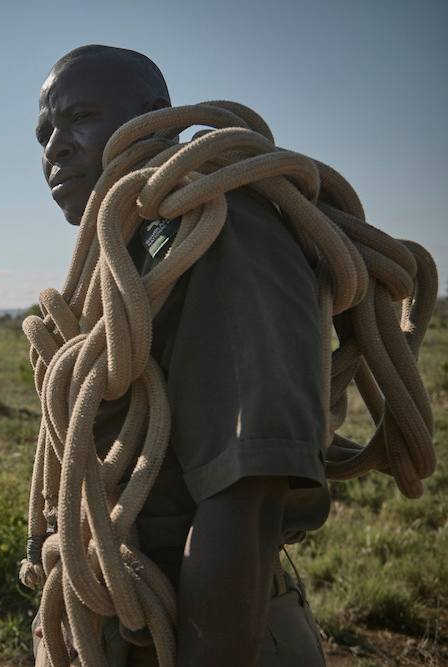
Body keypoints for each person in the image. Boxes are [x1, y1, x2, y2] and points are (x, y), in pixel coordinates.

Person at [31, 45, 329, 665]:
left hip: (208, 634)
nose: (54, 146)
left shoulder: (223, 227)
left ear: (158, 120)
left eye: (80, 116)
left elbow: (247, 495)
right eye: (44, 131)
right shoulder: (132, 251)